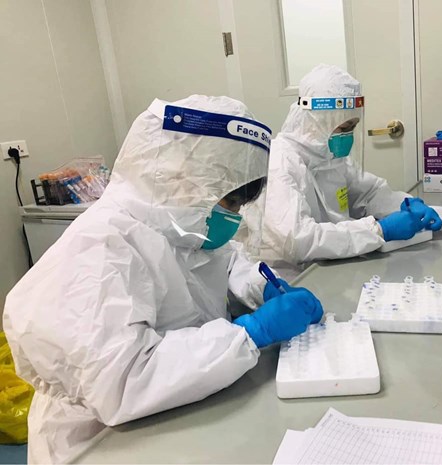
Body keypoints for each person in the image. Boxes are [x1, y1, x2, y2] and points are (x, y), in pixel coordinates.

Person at [3, 95, 323, 464]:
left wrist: (260, 286)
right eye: (230, 202)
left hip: (175, 411)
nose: (235, 215)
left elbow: (223, 262)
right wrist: (249, 334)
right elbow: (124, 380)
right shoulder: (100, 249)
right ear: (182, 178)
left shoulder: (179, 224)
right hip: (100, 441)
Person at [256, 64, 442, 277]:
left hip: (333, 267)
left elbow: (369, 192)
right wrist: (379, 230)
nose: (348, 135)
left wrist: (405, 204)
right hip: (291, 280)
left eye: (352, 127)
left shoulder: (329, 157)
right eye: (344, 128)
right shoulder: (279, 163)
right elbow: (298, 240)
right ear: (315, 122)